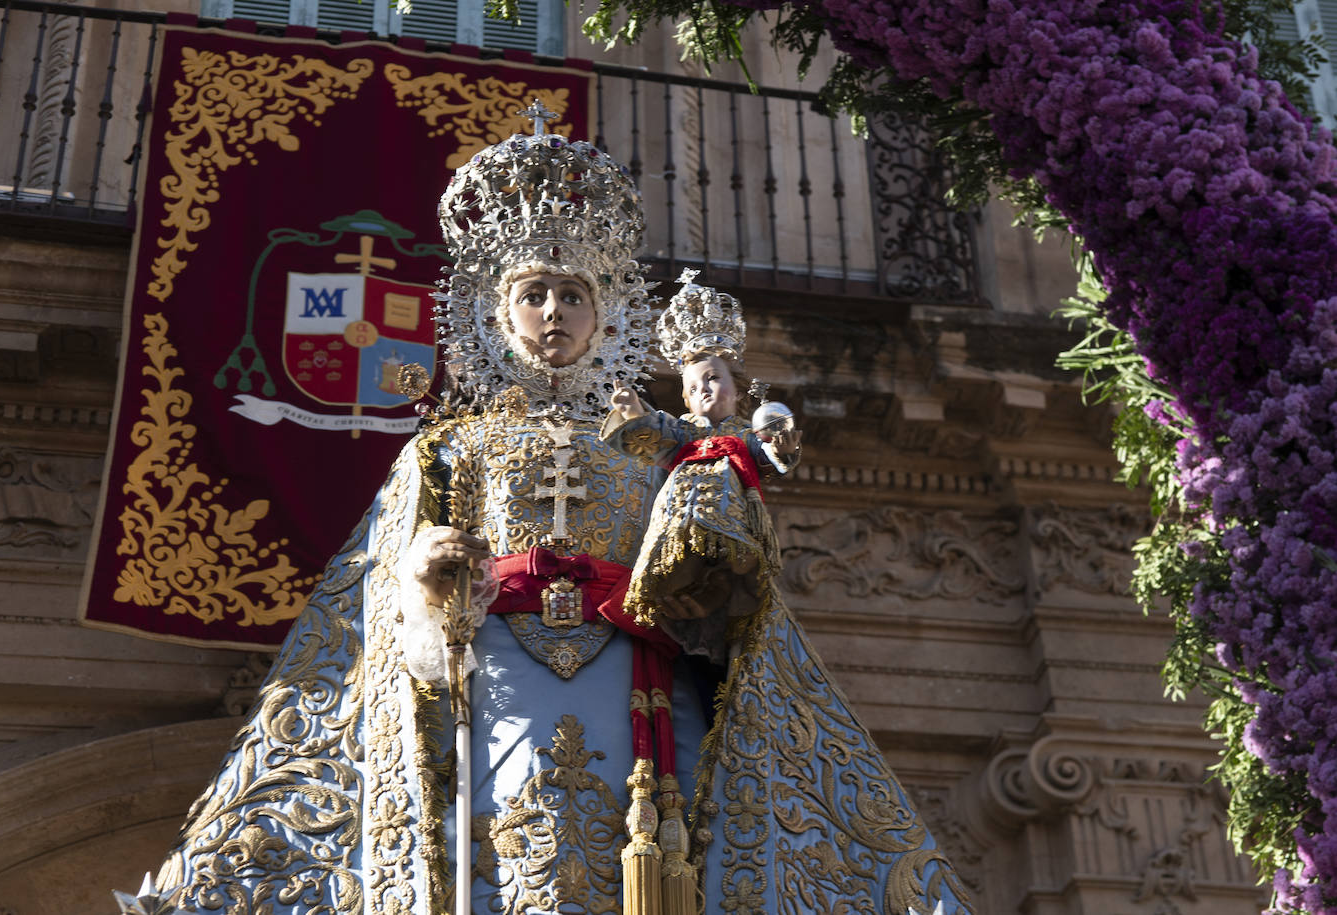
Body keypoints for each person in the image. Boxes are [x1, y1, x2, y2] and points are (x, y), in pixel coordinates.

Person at [145, 111, 973, 915]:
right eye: (533, 292)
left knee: (664, 848)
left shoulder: (657, 446)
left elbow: (730, 594)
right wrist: (427, 574)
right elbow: (373, 613)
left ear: (604, 316)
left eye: (572, 294)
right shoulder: (449, 448)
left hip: (638, 682)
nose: (552, 311)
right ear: (496, 315)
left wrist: (711, 526)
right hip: (501, 674)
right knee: (502, 844)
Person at [601, 273, 800, 658]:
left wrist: (784, 451)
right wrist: (632, 411)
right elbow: (652, 434)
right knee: (679, 564)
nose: (703, 389)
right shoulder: (682, 432)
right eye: (692, 387)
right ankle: (681, 598)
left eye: (712, 379)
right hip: (679, 520)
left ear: (739, 389)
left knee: (733, 565)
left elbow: (769, 456)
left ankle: (715, 595)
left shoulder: (744, 435)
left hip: (730, 521)